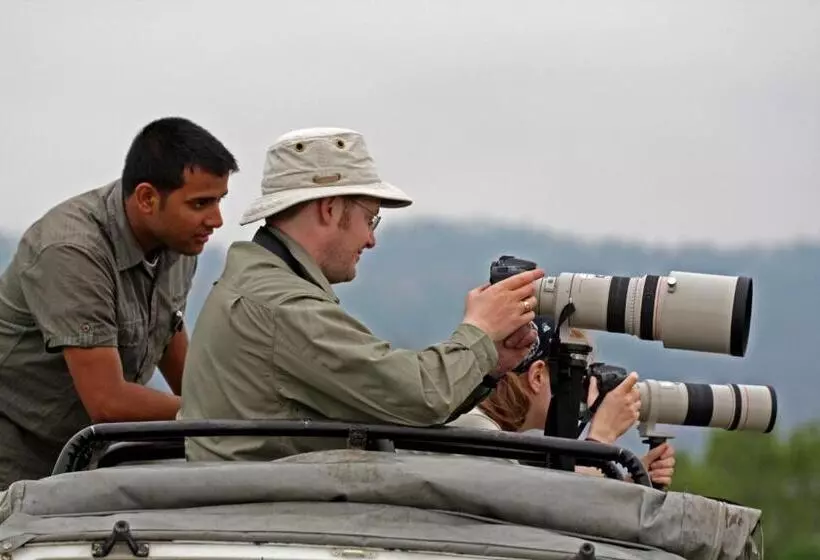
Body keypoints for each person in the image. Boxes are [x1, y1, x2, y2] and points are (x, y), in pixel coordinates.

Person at [179, 126, 543, 462]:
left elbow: (398, 408)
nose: (371, 240)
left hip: (264, 500)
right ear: (329, 209)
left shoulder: (265, 287)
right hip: (276, 506)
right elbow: (418, 397)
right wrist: (480, 330)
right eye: (370, 219)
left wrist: (489, 364)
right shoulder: (281, 305)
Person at [0, 116, 239, 489]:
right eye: (200, 203)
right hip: (16, 456)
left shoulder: (178, 239)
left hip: (89, 454)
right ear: (147, 199)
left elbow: (168, 331)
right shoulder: (72, 251)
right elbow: (108, 402)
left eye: (219, 200)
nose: (216, 219)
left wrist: (227, 404)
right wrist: (225, 414)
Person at [449, 316, 676, 487]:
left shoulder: (489, 435)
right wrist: (600, 439)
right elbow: (550, 507)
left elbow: (547, 483)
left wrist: (629, 482)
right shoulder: (476, 431)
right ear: (537, 376)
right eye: (574, 376)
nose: (579, 390)